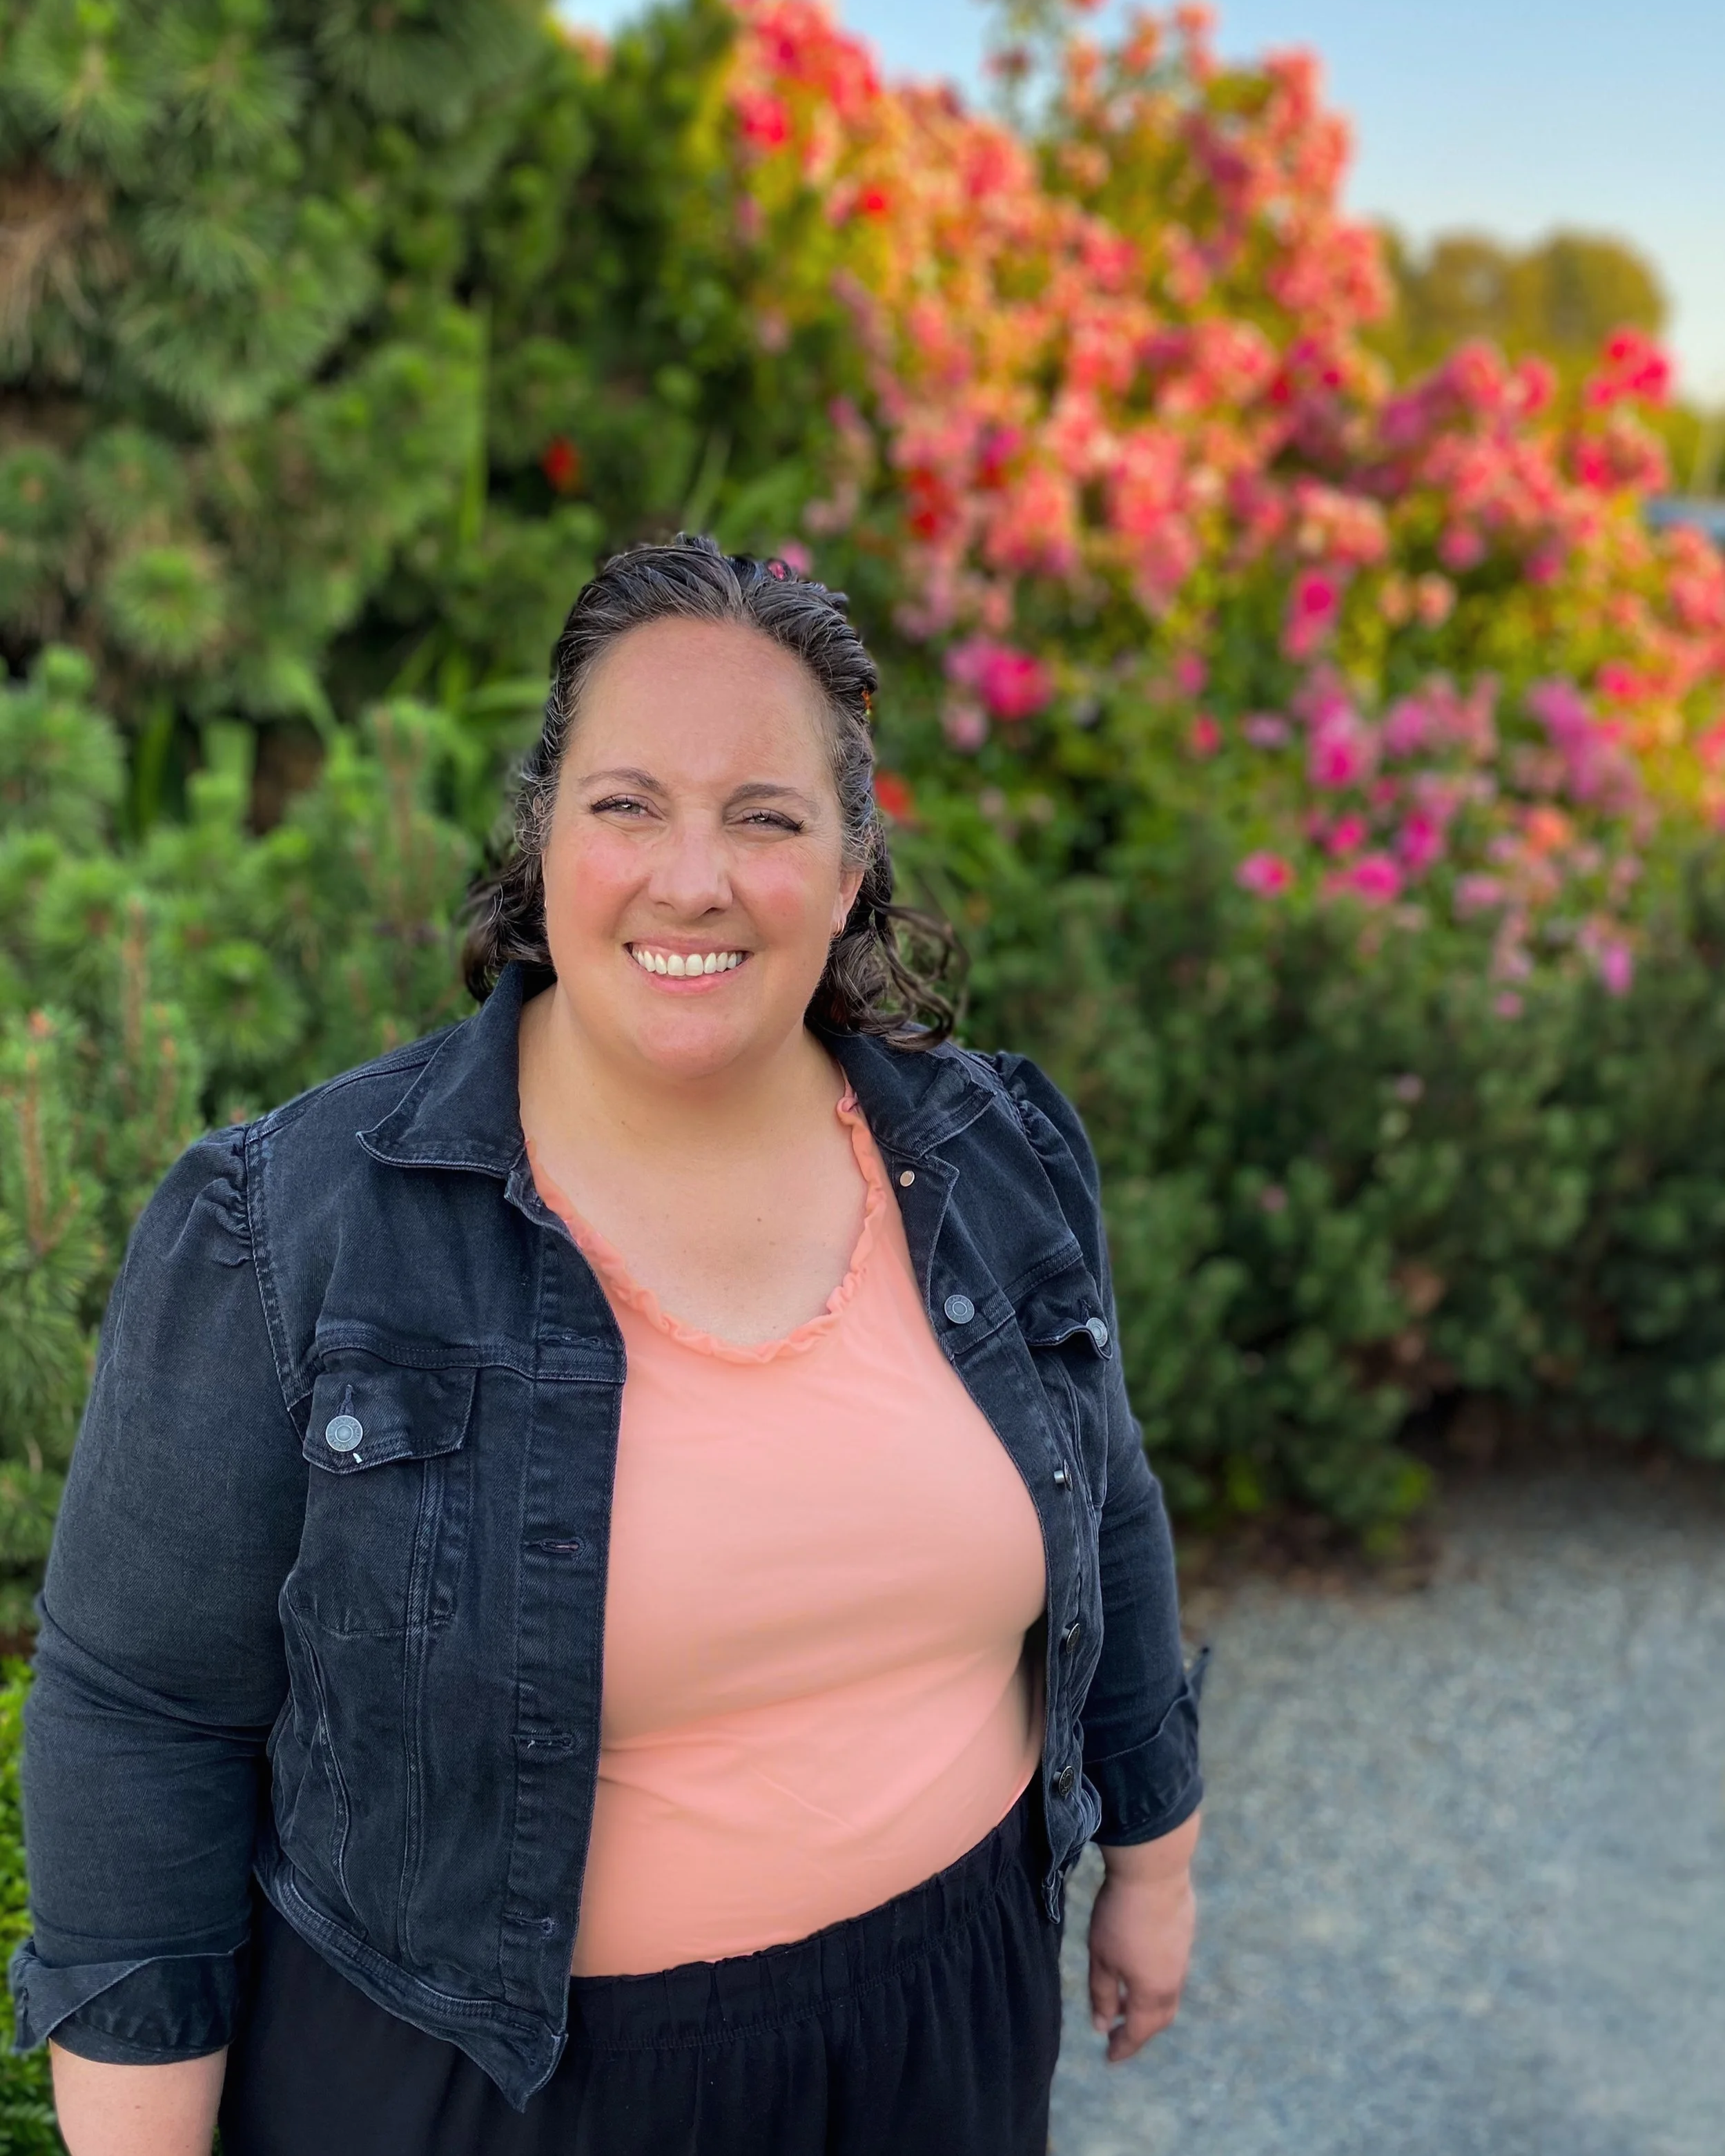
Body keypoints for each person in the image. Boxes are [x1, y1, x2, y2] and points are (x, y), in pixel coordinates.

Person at [14, 536, 1204, 2156]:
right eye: (627, 802)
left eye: (766, 817)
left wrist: (1155, 1859)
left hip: (946, 2024)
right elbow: (141, 1711)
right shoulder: (286, 1228)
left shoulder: (994, 1156)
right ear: (547, 837)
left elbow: (1108, 1507)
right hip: (492, 2085)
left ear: (851, 867)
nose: (690, 875)